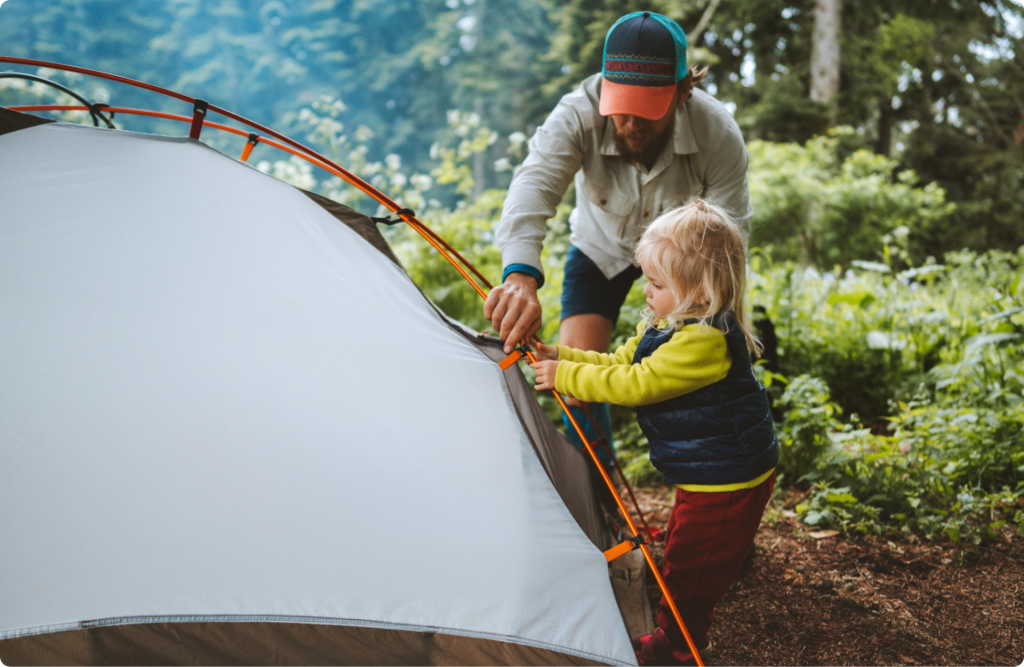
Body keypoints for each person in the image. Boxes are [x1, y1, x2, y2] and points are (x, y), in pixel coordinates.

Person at [484, 11, 752, 461]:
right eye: (620, 104)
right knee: (574, 384)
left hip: (685, 266)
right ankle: (600, 494)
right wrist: (520, 277)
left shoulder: (718, 132)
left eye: (646, 108)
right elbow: (532, 188)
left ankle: (710, 466)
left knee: (694, 373)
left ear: (684, 90)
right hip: (599, 248)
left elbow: (730, 241)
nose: (629, 122)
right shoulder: (577, 112)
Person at [530, 200, 778, 666]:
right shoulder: (670, 324)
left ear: (700, 292)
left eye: (658, 283)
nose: (646, 291)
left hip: (728, 478)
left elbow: (637, 385)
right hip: (705, 471)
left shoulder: (703, 342)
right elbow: (620, 362)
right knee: (685, 544)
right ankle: (679, 624)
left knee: (690, 571)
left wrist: (564, 378)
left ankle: (679, 646)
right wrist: (562, 357)